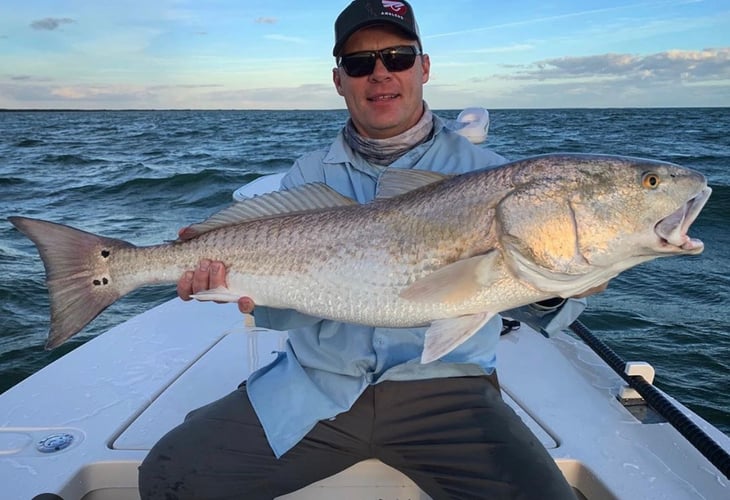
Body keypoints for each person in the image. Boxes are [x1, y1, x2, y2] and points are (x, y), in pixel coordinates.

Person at [139, 1, 602, 498]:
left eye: (398, 57)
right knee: (169, 477)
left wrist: (550, 286)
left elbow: (551, 310)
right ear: (340, 80)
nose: (380, 74)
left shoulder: (491, 175)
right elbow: (285, 310)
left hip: (450, 393)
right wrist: (232, 288)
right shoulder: (309, 174)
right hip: (316, 386)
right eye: (360, 63)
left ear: (423, 67)